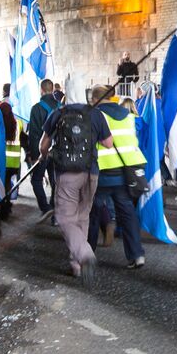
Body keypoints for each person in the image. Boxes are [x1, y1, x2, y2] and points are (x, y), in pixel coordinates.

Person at [40, 94, 117, 290]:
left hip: (66, 174)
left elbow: (43, 145)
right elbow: (109, 143)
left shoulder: (57, 113)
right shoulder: (96, 114)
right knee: (82, 217)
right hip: (91, 172)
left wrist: (44, 156)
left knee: (65, 218)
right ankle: (77, 266)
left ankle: (84, 255)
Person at [86, 84, 148, 270]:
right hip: (125, 172)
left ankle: (87, 255)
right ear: (112, 97)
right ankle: (136, 255)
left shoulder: (94, 115)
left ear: (94, 98)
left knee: (93, 214)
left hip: (102, 172)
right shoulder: (128, 116)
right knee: (127, 214)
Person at [25, 78, 60, 217]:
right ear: (52, 90)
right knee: (55, 180)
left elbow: (34, 134)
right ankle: (54, 208)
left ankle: (45, 208)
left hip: (43, 150)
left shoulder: (36, 108)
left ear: (41, 90)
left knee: (36, 179)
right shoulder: (61, 107)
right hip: (58, 151)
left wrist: (34, 155)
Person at [0, 91, 20, 219]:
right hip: (14, 163)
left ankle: (4, 208)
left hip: (3, 161)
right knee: (7, 185)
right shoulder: (17, 123)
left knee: (2, 186)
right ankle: (7, 205)